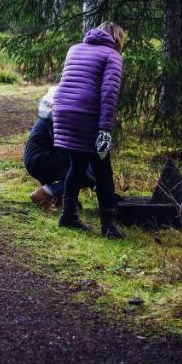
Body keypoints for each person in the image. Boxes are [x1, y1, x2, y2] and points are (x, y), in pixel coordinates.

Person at [51, 22, 126, 239]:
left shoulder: (74, 48)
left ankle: (68, 216)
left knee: (78, 163)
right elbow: (109, 94)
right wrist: (105, 130)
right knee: (103, 170)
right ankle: (108, 226)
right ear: (117, 38)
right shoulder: (112, 56)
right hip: (86, 115)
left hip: (63, 111)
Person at [23, 86, 94, 212]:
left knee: (81, 170)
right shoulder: (57, 121)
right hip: (41, 159)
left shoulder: (49, 114)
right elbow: (64, 154)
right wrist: (94, 182)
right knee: (81, 173)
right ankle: (44, 193)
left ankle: (55, 199)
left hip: (35, 158)